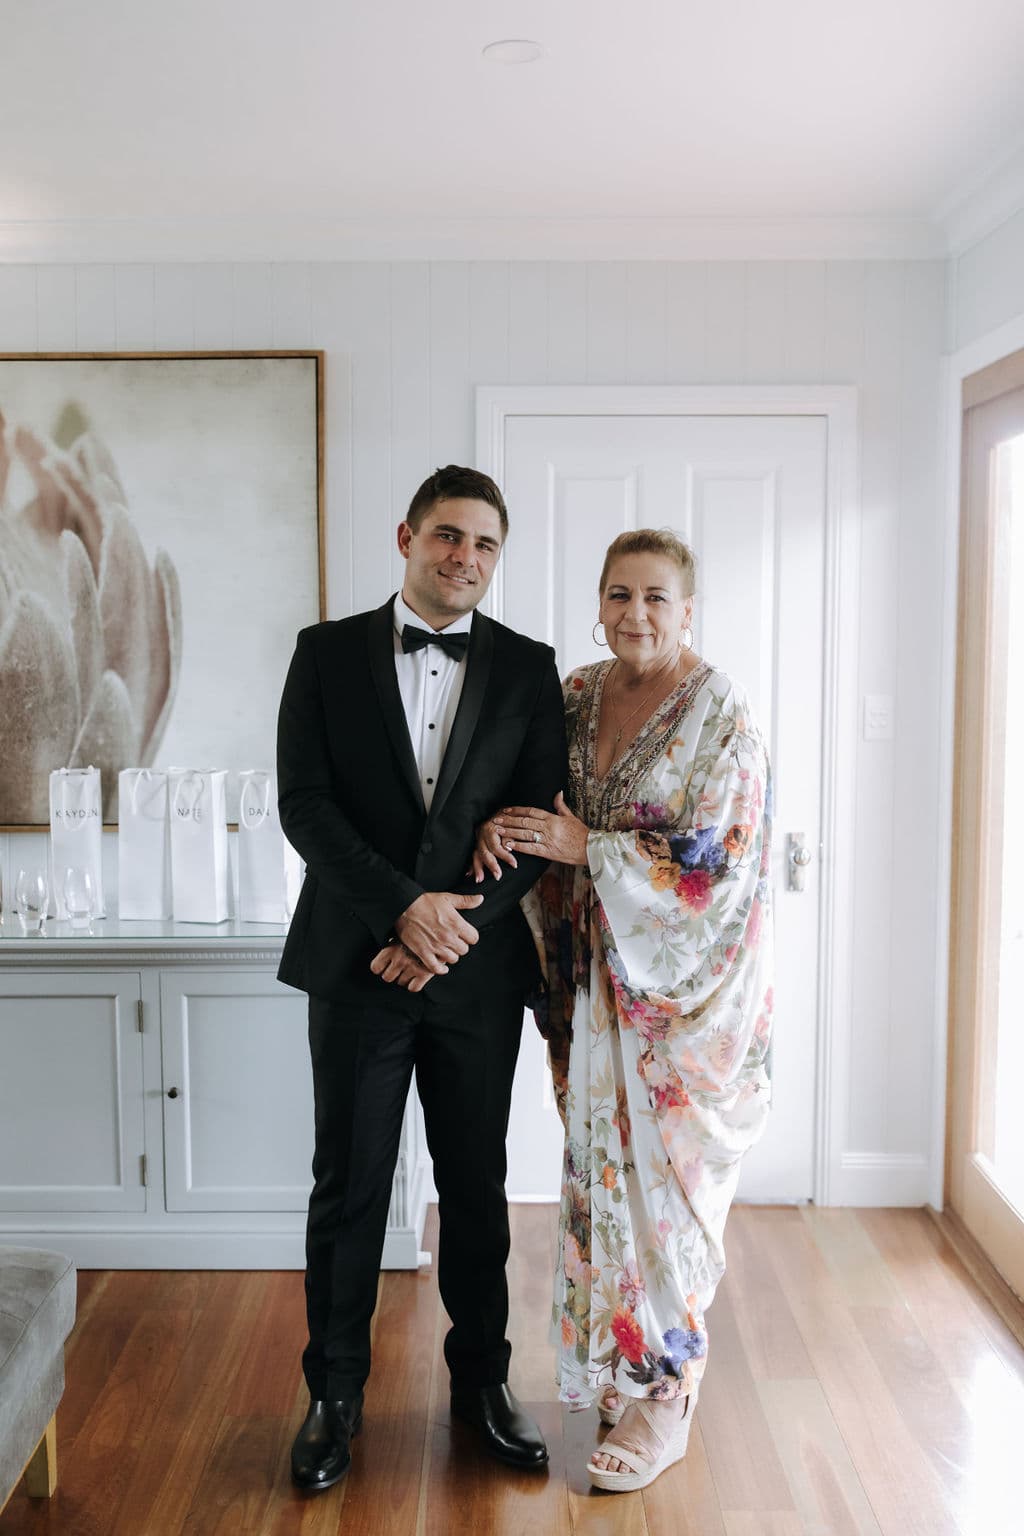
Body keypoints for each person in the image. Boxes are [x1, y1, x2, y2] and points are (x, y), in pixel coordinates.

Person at [277, 465, 568, 1491]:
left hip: (474, 977)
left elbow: (534, 830)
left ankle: (483, 1384)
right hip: (357, 961)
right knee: (348, 1187)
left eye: (485, 544)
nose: (465, 559)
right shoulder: (323, 655)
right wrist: (399, 909)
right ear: (405, 536)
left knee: (476, 1188)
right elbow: (305, 807)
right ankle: (333, 1395)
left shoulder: (531, 670)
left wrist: (447, 928)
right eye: (448, 536)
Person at [472, 528, 773, 1493]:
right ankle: (627, 1362)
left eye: (655, 598)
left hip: (680, 1012)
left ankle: (666, 1395)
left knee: (669, 1199)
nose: (634, 614)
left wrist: (587, 849)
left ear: (688, 611)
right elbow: (540, 804)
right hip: (589, 995)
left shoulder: (719, 711)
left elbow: (715, 868)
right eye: (618, 594)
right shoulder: (577, 696)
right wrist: (501, 827)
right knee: (606, 1186)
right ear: (598, 604)